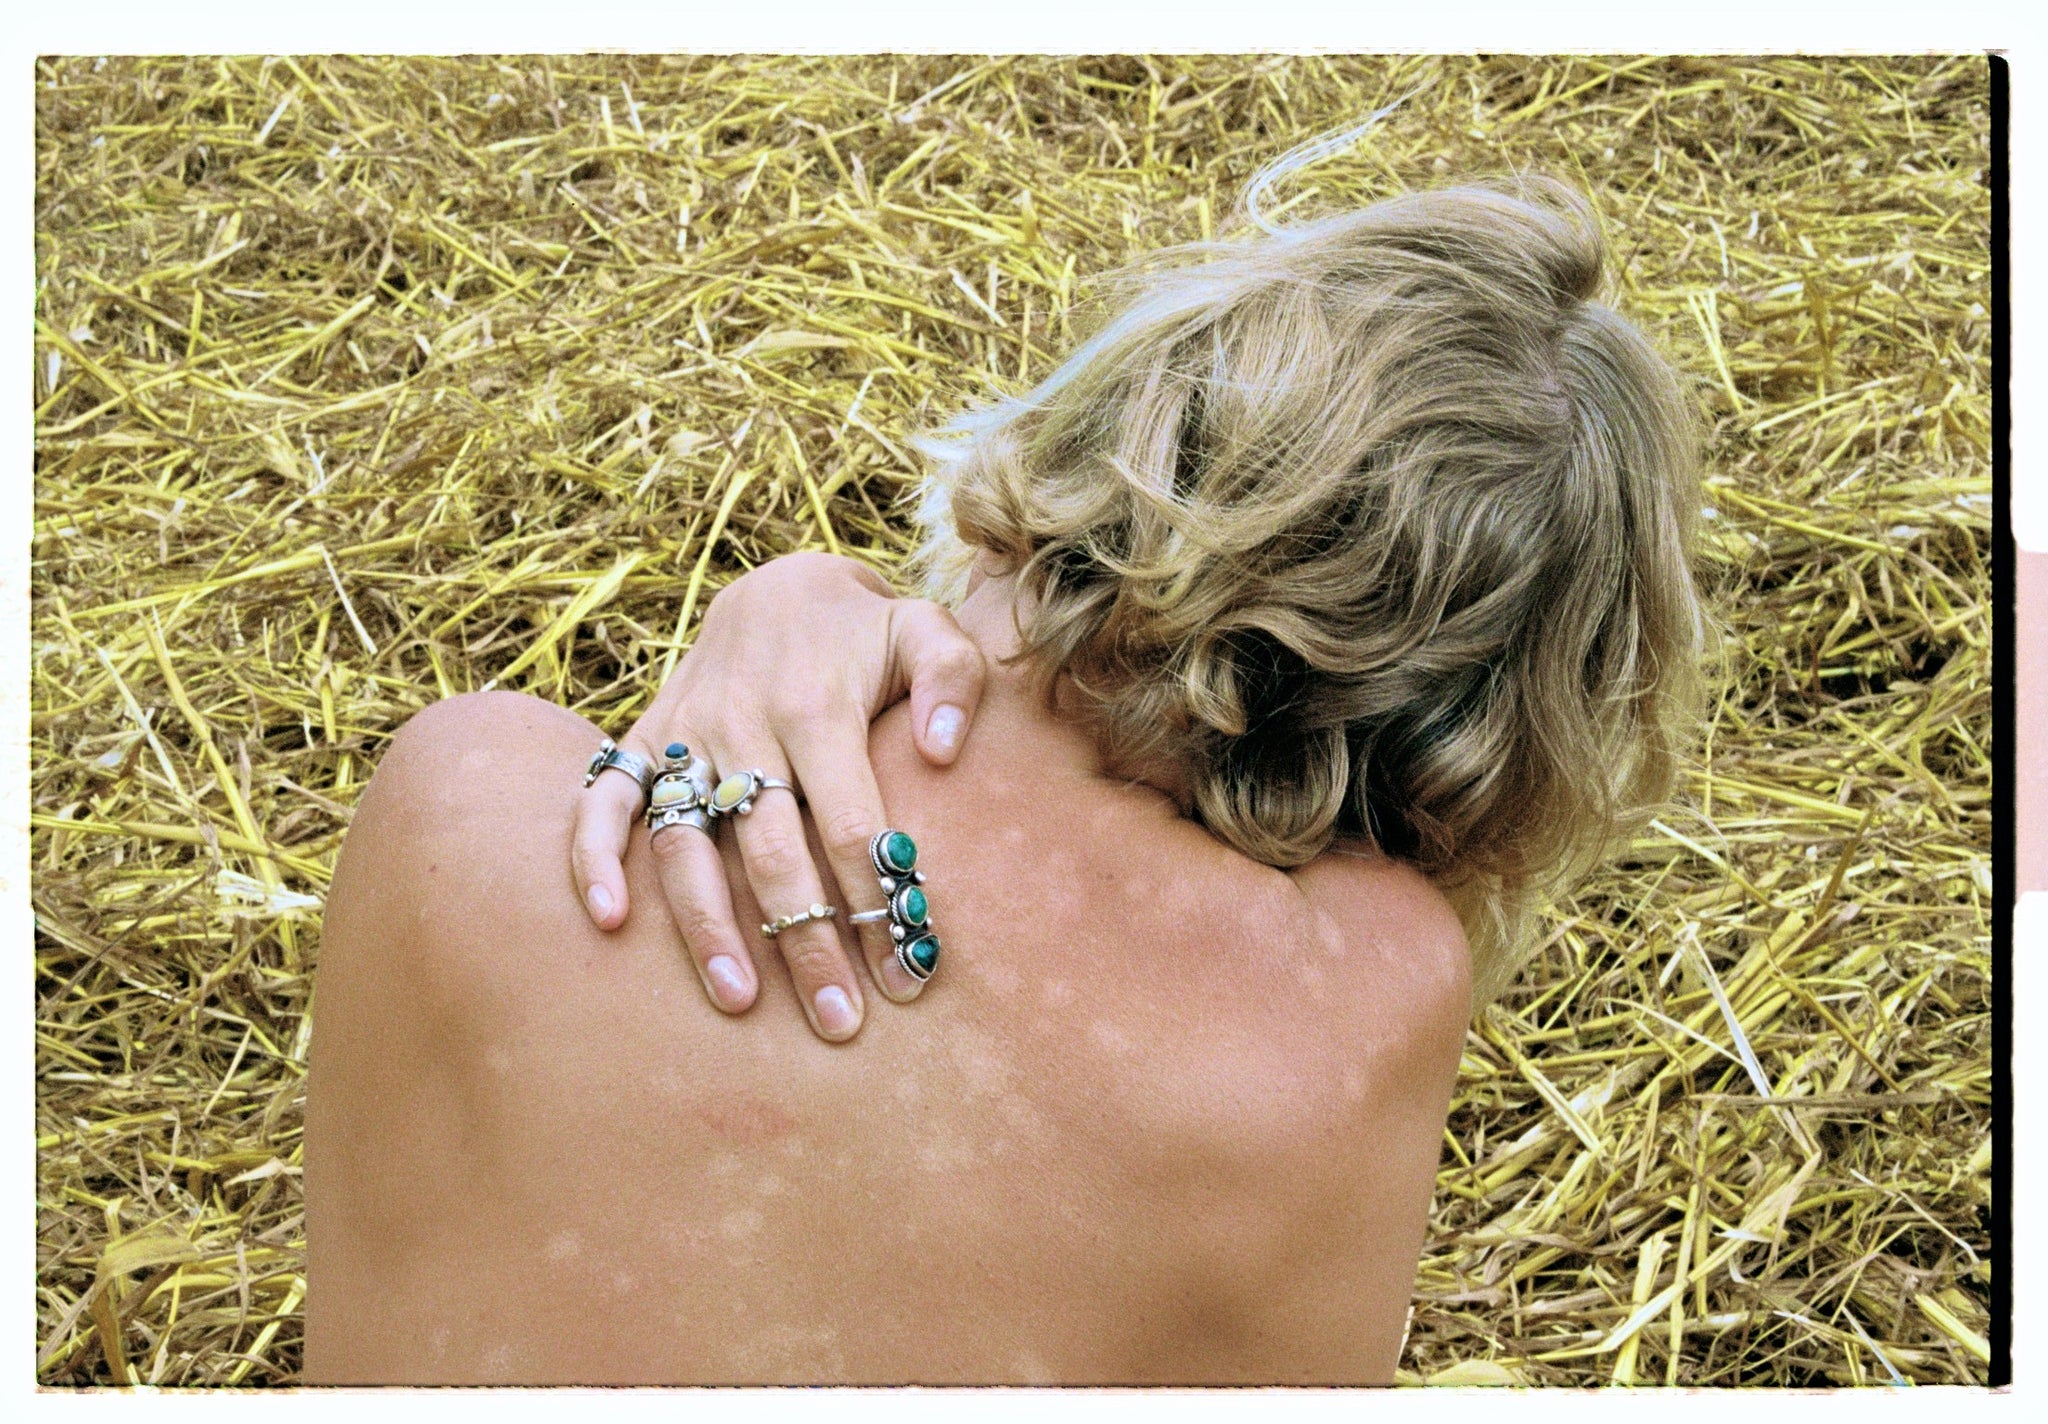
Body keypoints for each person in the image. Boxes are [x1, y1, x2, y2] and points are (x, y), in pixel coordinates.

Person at [304, 171, 1703, 1385]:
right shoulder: (1354, 1011)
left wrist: (800, 586)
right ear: (1495, 733)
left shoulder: (459, 807)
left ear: (1122, 420)